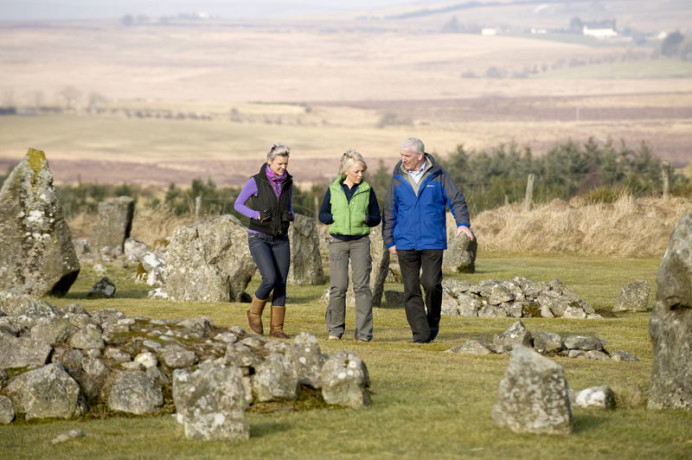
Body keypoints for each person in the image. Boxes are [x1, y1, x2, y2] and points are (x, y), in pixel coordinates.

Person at [382, 137, 474, 343]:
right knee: (411, 288)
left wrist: (462, 223)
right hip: (404, 242)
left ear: (420, 156)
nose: (403, 160)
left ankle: (432, 322)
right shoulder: (397, 178)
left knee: (431, 284)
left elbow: (456, 198)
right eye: (401, 156)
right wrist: (389, 240)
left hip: (432, 241)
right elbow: (389, 210)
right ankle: (420, 333)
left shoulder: (439, 176)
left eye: (407, 156)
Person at [319, 150, 381, 342]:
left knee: (362, 287)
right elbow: (322, 215)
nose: (360, 175)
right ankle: (335, 331)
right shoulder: (333, 189)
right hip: (337, 243)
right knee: (338, 287)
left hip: (360, 243)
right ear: (346, 171)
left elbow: (376, 218)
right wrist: (334, 219)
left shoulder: (367, 190)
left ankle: (363, 334)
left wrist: (365, 218)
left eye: (362, 171)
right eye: (357, 171)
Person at [234, 143, 294, 339]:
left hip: (281, 238)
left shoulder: (288, 182)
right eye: (279, 164)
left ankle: (277, 329)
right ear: (269, 161)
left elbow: (289, 205)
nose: (283, 168)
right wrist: (255, 214)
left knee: (281, 282)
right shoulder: (256, 181)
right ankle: (253, 313)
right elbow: (238, 204)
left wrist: (290, 214)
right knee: (270, 278)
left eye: (285, 164)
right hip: (258, 236)